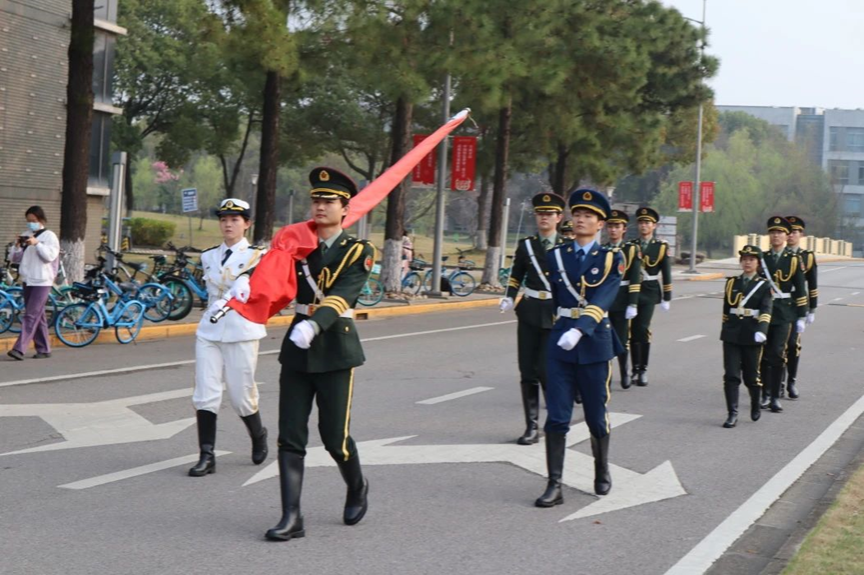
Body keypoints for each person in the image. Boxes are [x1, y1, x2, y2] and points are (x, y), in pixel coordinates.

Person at [266, 167, 375, 541]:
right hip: (297, 351)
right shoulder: (294, 245)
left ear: (345, 208)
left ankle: (357, 486)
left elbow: (343, 295)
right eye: (316, 199)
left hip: (334, 351)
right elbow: (272, 280)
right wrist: (245, 295)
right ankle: (291, 517)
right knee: (290, 435)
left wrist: (315, 324)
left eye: (329, 201)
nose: (320, 206)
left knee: (334, 438)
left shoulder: (358, 250)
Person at [535, 188, 625, 508]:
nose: (581, 220)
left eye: (589, 216)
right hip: (561, 343)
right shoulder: (557, 256)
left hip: (594, 342)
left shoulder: (612, 258)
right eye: (577, 215)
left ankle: (601, 468)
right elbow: (556, 298)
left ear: (601, 224)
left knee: (596, 416)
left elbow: (604, 297)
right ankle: (554, 484)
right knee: (557, 416)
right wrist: (563, 327)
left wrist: (580, 328)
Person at [188, 198, 269, 477]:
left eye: (235, 220)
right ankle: (206, 455)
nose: (228, 224)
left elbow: (263, 286)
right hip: (210, 330)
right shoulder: (208, 256)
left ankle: (258, 435)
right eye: (224, 219)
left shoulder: (258, 256)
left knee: (241, 395)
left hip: (241, 329)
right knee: (205, 392)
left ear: (247, 224)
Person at [500, 192, 566, 445]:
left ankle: (554, 421)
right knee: (527, 370)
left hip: (554, 313)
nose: (544, 218)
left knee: (547, 371)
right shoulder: (526, 245)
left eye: (549, 214)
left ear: (559, 217)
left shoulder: (566, 246)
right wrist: (509, 296)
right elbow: (516, 275)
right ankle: (531, 426)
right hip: (529, 312)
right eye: (540, 214)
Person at [759, 217, 808, 413]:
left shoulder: (794, 259)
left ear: (786, 236)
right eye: (772, 232)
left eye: (779, 232)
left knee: (778, 353)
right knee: (763, 353)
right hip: (765, 311)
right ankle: (764, 393)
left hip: (785, 312)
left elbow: (801, 289)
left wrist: (802, 316)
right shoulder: (762, 258)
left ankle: (775, 395)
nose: (776, 236)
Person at [720, 245, 772, 428]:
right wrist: (725, 329)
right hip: (732, 334)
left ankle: (755, 402)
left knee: (751, 377)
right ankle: (732, 413)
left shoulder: (764, 285)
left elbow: (766, 309)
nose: (747, 262)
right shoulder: (732, 283)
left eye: (751, 259)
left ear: (758, 263)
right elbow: (726, 310)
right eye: (744, 259)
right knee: (731, 375)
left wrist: (762, 330)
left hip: (752, 333)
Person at [7, 206, 59, 361]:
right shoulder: (26, 234)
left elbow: (49, 256)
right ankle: (44, 348)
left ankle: (19, 349)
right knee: (38, 315)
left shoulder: (49, 236)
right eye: (28, 221)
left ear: (41, 219)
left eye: (34, 220)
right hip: (28, 279)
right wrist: (17, 246)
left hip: (42, 281)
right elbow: (15, 259)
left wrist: (37, 244)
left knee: (30, 315)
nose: (31, 223)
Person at [629, 207, 672, 387]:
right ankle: (634, 368)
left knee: (643, 328)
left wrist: (667, 296)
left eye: (647, 222)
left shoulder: (661, 247)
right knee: (632, 331)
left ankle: (643, 369)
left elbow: (666, 272)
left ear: (654, 226)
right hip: (632, 292)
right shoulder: (631, 245)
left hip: (649, 292)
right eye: (641, 222)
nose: (643, 225)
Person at [602, 209, 641, 389]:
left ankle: (624, 371)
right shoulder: (602, 249)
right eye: (610, 226)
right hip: (604, 301)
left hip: (622, 299)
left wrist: (632, 303)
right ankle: (607, 375)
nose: (613, 230)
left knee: (622, 338)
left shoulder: (631, 249)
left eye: (617, 226)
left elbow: (635, 277)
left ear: (624, 229)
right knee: (605, 339)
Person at [783, 216, 817, 399]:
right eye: (788, 232)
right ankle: (778, 383)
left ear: (801, 234)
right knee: (777, 345)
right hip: (779, 305)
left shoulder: (807, 256)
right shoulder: (778, 254)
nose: (791, 235)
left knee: (793, 344)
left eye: (794, 232)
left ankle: (791, 381)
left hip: (798, 306)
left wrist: (812, 310)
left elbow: (812, 284)